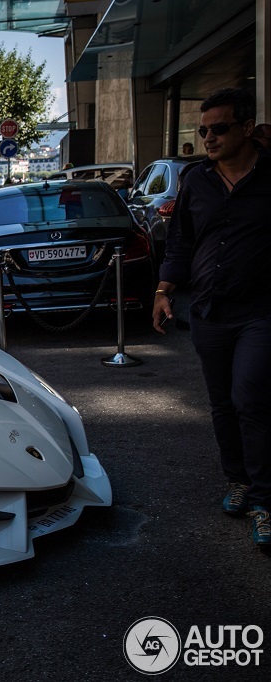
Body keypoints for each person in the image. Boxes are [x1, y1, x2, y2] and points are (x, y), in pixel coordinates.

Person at [153, 87, 271, 549]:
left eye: (219, 128)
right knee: (222, 401)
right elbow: (180, 242)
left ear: (246, 128)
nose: (209, 138)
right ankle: (238, 482)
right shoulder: (197, 182)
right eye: (203, 130)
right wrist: (164, 290)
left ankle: (265, 500)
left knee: (252, 397)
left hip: (261, 310)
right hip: (208, 309)